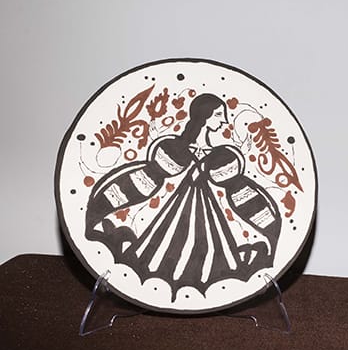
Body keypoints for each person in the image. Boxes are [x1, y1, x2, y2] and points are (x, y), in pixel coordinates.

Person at [85, 94, 281, 300]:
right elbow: (143, 179)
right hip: (173, 205)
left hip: (208, 208)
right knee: (163, 240)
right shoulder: (174, 148)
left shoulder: (221, 154)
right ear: (204, 116)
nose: (224, 121)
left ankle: (212, 277)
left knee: (212, 242)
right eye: (218, 115)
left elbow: (240, 192)